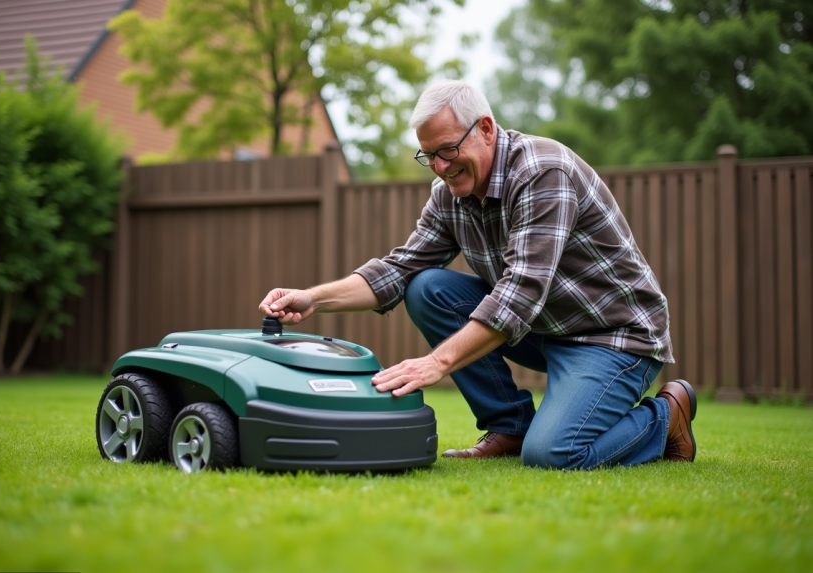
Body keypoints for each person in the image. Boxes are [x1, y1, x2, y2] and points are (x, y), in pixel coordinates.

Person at [259, 80, 696, 470]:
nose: (440, 166)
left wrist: (437, 363)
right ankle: (510, 427)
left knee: (554, 453)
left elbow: (520, 294)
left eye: (447, 150)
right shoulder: (448, 196)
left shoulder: (543, 171)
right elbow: (399, 269)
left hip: (613, 338)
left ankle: (665, 417)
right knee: (427, 287)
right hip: (545, 330)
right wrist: (313, 298)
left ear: (485, 129)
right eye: (428, 156)